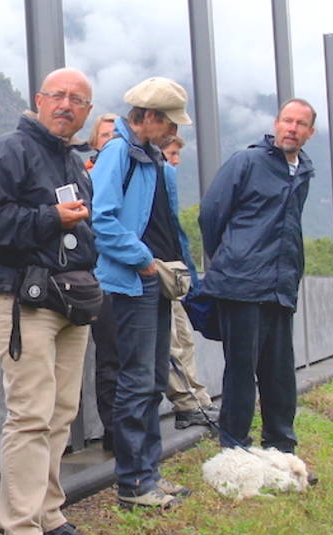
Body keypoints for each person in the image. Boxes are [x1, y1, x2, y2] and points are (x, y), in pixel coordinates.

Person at [0, 68, 104, 535]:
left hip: (71, 299)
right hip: (23, 298)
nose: (66, 104)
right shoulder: (8, 151)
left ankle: (49, 514)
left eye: (77, 99)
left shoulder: (73, 161)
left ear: (87, 112)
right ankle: (21, 534)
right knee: (29, 414)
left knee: (62, 412)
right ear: (39, 100)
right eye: (58, 95)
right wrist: (51, 218)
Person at [91, 78, 196, 511]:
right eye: (170, 122)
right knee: (135, 382)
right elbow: (101, 217)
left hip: (152, 282)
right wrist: (143, 259)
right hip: (129, 282)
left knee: (152, 380)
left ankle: (148, 471)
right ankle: (133, 481)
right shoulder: (119, 151)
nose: (174, 131)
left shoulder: (149, 156)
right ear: (150, 117)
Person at [199, 99, 317, 453]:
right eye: (287, 120)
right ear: (276, 123)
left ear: (310, 133)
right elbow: (211, 214)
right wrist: (232, 255)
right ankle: (235, 447)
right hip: (241, 283)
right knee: (241, 369)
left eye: (300, 124)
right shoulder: (247, 161)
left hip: (280, 285)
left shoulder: (303, 171)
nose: (292, 128)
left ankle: (281, 449)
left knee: (279, 372)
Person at [160, 134, 217, 428]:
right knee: (172, 342)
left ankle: (198, 398)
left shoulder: (165, 181)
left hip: (176, 273)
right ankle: (186, 403)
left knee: (183, 338)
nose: (177, 161)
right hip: (162, 271)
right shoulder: (156, 177)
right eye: (171, 154)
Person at [84, 113, 121, 450]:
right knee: (109, 357)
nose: (111, 141)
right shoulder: (85, 176)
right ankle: (113, 430)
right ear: (94, 142)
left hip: (128, 278)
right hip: (97, 278)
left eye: (116, 135)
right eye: (105, 135)